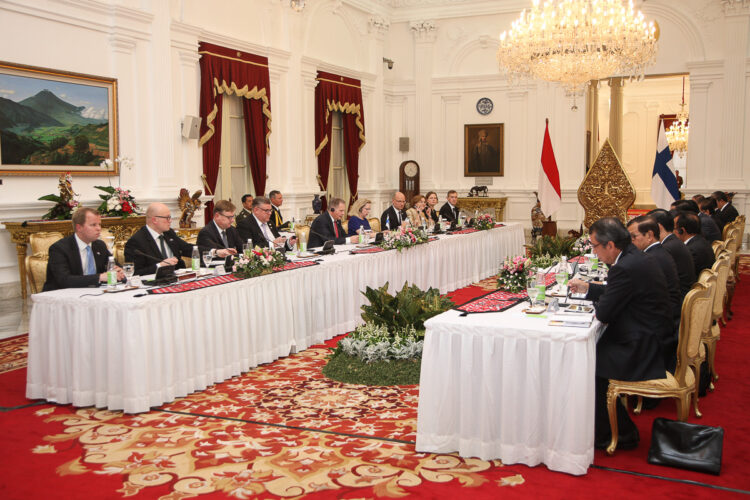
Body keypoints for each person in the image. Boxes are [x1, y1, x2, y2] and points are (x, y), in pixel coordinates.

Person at [569, 217, 669, 450]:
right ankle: (616, 427)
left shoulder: (624, 267)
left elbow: (604, 314)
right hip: (649, 332)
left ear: (610, 245)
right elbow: (623, 291)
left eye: (595, 246)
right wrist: (589, 288)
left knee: (587, 362)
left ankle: (613, 433)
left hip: (641, 345)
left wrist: (598, 300)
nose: (594, 252)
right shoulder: (634, 258)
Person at [627, 216, 681, 371]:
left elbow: (631, 292)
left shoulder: (651, 258)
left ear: (649, 236)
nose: (630, 242)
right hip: (664, 317)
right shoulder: (658, 252)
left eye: (633, 237)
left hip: (657, 328)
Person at [43, 207, 124, 291]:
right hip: (61, 297)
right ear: (79, 228)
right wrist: (99, 277)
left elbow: (114, 265)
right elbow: (64, 280)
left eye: (99, 224)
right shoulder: (59, 249)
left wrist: (120, 271)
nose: (99, 228)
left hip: (94, 294)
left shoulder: (100, 245)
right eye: (93, 225)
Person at [124, 202, 195, 276]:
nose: (170, 221)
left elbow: (187, 248)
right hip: (154, 283)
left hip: (177, 278)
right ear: (154, 220)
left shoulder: (168, 233)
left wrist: (207, 252)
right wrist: (159, 266)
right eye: (167, 218)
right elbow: (134, 273)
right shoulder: (136, 241)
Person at [646, 209, 696, 300]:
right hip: (683, 295)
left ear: (658, 226)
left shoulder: (666, 248)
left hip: (677, 300)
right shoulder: (673, 241)